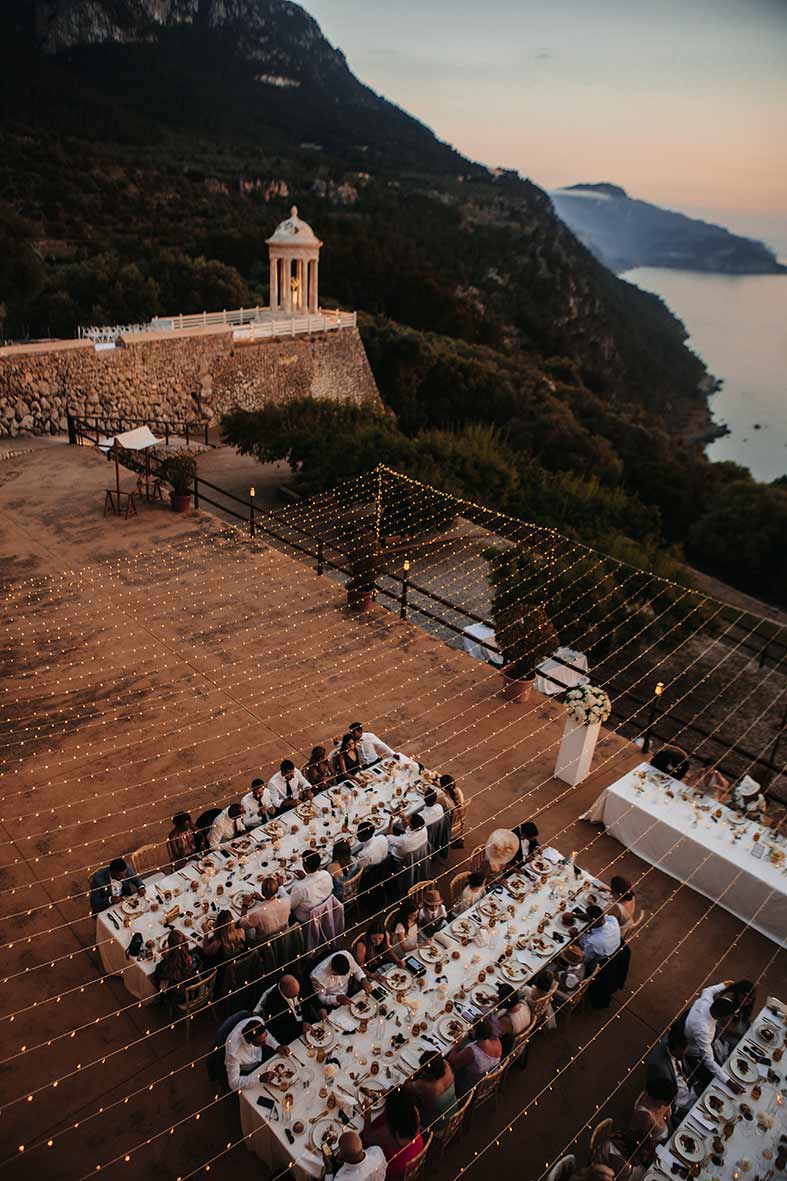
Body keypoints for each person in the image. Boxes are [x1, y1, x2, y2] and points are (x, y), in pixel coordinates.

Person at [684, 983, 736, 1088]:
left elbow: (707, 990)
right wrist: (728, 1082)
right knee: (712, 1082)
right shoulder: (703, 1031)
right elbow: (708, 1061)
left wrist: (725, 984)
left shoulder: (707, 1002)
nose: (730, 1021)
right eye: (729, 1018)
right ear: (720, 1017)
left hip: (707, 1045)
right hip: (694, 1054)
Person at [366, 1092, 424, 1181]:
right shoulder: (415, 1114)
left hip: (394, 1168)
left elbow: (367, 1138)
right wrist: (393, 1094)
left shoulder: (386, 1134)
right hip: (416, 1149)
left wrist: (367, 1117)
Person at [223, 1015, 288, 1091]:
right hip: (246, 1070)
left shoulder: (258, 1021)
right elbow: (233, 1083)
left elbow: (265, 1036)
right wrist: (258, 1079)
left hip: (260, 1059)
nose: (265, 1043)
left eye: (265, 1038)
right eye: (260, 1042)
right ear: (249, 1041)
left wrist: (277, 1046)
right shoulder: (233, 1053)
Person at [646, 1023, 695, 1119]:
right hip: (678, 1102)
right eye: (682, 1054)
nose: (684, 1057)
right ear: (675, 1049)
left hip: (690, 1090)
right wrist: (678, 1111)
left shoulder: (678, 1042)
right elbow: (660, 1097)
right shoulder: (657, 1065)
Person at [255, 973, 320, 1044]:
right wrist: (299, 1027)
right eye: (294, 995)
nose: (297, 995)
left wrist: (320, 1008)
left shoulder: (299, 982)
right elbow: (277, 1029)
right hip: (293, 1036)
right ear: (284, 991)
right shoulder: (272, 1003)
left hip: (309, 1022)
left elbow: (311, 995)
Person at [448, 1019, 502, 1097]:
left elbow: (451, 1061)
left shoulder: (471, 1052)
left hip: (471, 1085)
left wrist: (458, 1043)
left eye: (473, 1028)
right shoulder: (497, 1041)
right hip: (489, 1081)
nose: (471, 1029)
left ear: (477, 1033)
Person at [403, 1052, 456, 1128]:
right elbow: (443, 1061)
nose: (421, 1069)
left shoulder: (426, 1085)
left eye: (422, 1068)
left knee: (405, 1100)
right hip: (453, 1110)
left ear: (430, 1074)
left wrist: (416, 1074)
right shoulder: (447, 1067)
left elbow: (405, 1086)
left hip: (436, 1123)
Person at [239, 875, 291, 943]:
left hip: (265, 942)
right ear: (276, 890)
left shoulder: (257, 914)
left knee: (248, 929)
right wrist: (261, 900)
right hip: (285, 933)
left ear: (262, 892)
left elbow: (241, 924)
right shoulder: (286, 901)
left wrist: (244, 905)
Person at [289, 849, 334, 922]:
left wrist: (280, 887)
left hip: (308, 918)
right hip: (327, 910)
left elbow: (290, 905)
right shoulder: (326, 874)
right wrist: (305, 878)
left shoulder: (300, 888)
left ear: (305, 867)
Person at [153, 930, 200, 997]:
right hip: (194, 990)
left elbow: (158, 978)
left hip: (179, 997)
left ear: (169, 944)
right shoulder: (193, 958)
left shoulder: (165, 965)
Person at [487, 982, 531, 1051]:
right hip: (521, 1028)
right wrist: (499, 1001)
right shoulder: (523, 1004)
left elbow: (492, 1034)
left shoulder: (506, 1021)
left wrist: (488, 1011)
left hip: (504, 1044)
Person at [633, 1076, 677, 1144]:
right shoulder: (644, 1116)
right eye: (662, 1103)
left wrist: (668, 1121)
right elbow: (644, 1143)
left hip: (671, 1137)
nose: (663, 1106)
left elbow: (669, 1125)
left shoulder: (661, 1095)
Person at [580, 905, 621, 971]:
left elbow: (584, 958)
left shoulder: (594, 941)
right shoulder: (612, 919)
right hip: (614, 946)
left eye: (588, 919)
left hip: (602, 956)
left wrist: (574, 936)